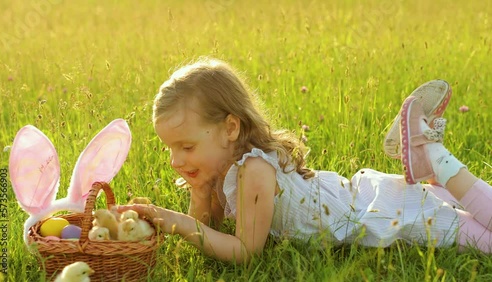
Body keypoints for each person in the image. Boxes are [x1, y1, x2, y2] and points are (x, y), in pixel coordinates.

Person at [117, 58, 492, 263]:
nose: (174, 159)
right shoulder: (227, 167)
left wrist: (176, 221)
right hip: (366, 200)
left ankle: (430, 154)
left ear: (230, 128)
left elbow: (246, 252)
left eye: (185, 146)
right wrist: (200, 193)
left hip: (379, 215)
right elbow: (212, 229)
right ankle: (431, 167)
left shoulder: (254, 173)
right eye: (170, 149)